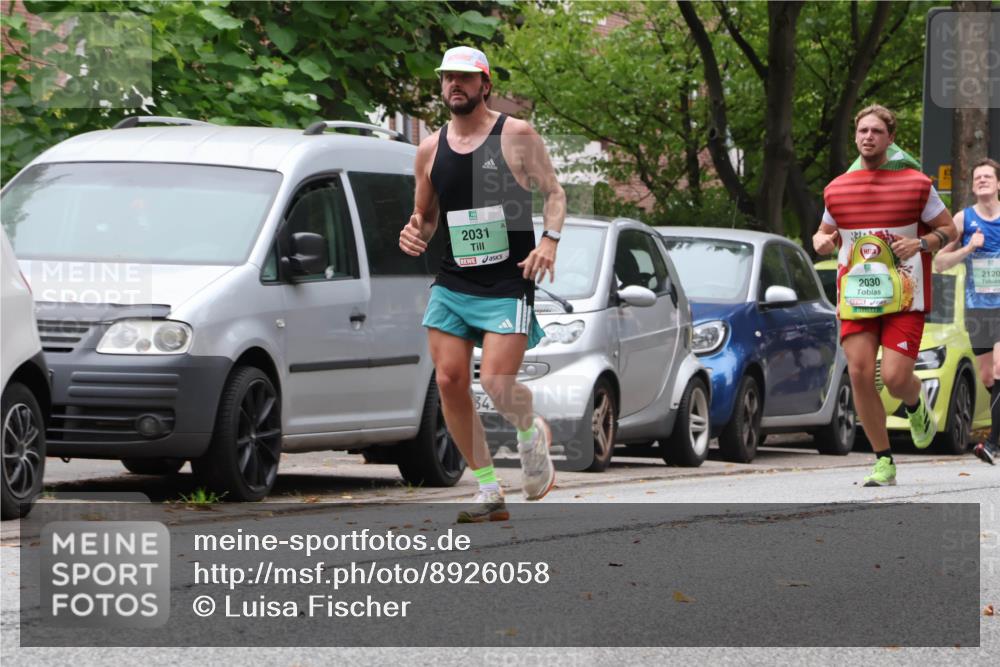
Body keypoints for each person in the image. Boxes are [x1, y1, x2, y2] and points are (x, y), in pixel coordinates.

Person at [399, 46, 567, 521]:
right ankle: (489, 490)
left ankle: (531, 430)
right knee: (449, 379)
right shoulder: (429, 148)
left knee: (495, 381)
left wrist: (549, 241)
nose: (455, 85)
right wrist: (415, 232)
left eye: (466, 78)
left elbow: (555, 192)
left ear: (485, 85)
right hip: (453, 281)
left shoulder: (515, 134)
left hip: (507, 281)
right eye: (448, 78)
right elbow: (427, 218)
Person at [812, 104, 958, 487]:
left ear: (890, 138)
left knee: (894, 377)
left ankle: (915, 404)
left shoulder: (916, 184)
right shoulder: (838, 188)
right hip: (857, 297)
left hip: (905, 297)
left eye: (876, 131)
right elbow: (822, 234)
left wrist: (922, 243)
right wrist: (822, 242)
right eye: (862, 131)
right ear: (855, 136)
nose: (868, 137)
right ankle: (883, 460)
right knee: (860, 374)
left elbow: (949, 230)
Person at [933, 158, 1000, 465]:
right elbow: (939, 262)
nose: (982, 180)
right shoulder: (964, 219)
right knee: (988, 377)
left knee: (999, 369)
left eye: (988, 176)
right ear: (973, 186)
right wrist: (969, 249)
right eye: (978, 178)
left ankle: (991, 444)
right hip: (977, 308)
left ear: (998, 184)